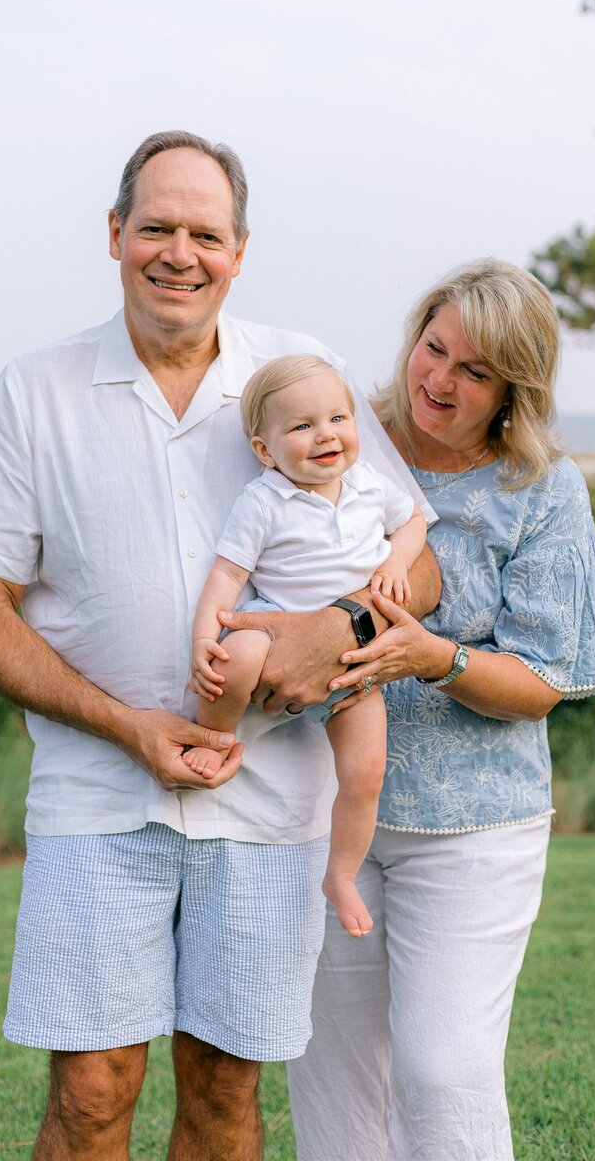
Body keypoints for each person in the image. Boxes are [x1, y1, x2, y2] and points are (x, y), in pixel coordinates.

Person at [0, 129, 438, 1161]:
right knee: (91, 1093)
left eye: (205, 232)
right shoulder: (39, 390)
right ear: (114, 234)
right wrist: (127, 727)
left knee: (222, 1096)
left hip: (266, 803)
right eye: (155, 226)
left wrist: (329, 632)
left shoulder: (302, 377)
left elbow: (413, 563)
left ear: (238, 250)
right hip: (95, 798)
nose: (179, 252)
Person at [286, 259, 595, 1161]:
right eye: (434, 350)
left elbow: (546, 678)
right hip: (324, 820)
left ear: (514, 387)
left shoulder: (543, 491)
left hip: (475, 827)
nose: (440, 381)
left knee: (444, 1073)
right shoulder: (344, 435)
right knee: (334, 1084)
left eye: (474, 372)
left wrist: (439, 660)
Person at [189, 354, 428, 937]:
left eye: (338, 418)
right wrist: (203, 637)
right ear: (266, 450)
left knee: (366, 770)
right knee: (236, 654)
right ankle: (215, 736)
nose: (326, 435)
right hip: (276, 628)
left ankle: (341, 875)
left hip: (353, 660)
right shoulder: (264, 501)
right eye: (301, 427)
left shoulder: (372, 486)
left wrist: (398, 558)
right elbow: (225, 575)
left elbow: (415, 521)